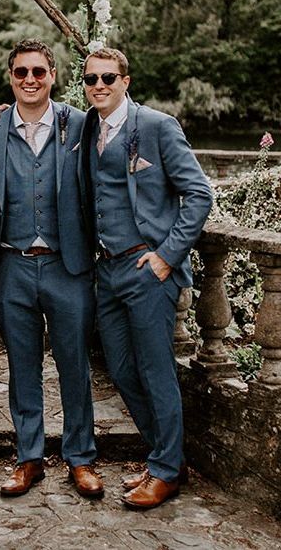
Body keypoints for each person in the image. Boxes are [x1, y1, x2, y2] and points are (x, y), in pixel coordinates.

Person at [77, 47, 213, 509]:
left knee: (156, 371)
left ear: (125, 81)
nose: (99, 85)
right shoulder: (87, 126)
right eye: (91, 78)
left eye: (108, 78)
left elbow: (198, 194)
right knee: (120, 366)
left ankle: (166, 470)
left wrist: (166, 257)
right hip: (107, 270)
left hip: (148, 269)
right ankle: (164, 457)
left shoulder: (156, 126)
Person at [0, 39, 102, 498]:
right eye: (20, 73)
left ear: (53, 75)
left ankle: (81, 458)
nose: (29, 80)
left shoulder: (81, 125)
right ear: (10, 78)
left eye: (38, 71)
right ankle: (29, 458)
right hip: (10, 265)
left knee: (74, 363)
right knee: (22, 366)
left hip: (66, 265)